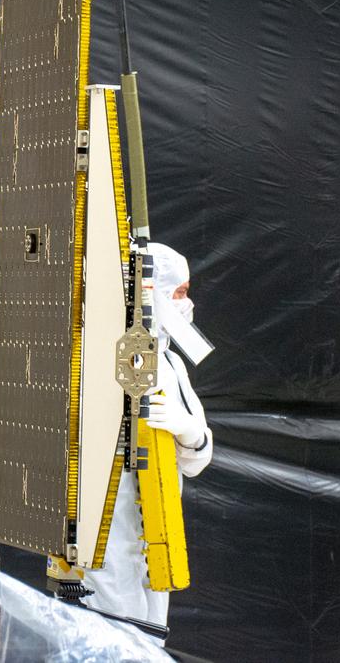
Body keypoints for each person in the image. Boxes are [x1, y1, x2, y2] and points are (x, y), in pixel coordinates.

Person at [83, 242, 213, 633]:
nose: (186, 304)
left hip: (155, 526)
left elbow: (197, 460)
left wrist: (188, 431)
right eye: (180, 293)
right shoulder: (95, 354)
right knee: (111, 638)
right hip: (105, 532)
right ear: (150, 291)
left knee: (150, 636)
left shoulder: (170, 362)